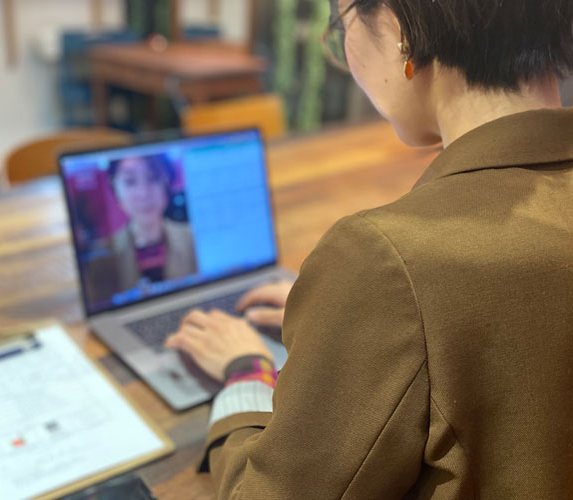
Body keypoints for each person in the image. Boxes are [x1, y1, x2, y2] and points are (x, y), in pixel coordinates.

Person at [164, 0, 573, 497]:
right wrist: (349, 312)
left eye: (340, 22)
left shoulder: (386, 258)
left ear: (400, 29)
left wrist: (245, 370)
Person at [108, 155, 197, 292]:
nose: (144, 193)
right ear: (116, 190)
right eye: (130, 181)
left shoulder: (194, 238)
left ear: (167, 185)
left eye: (153, 178)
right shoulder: (107, 252)